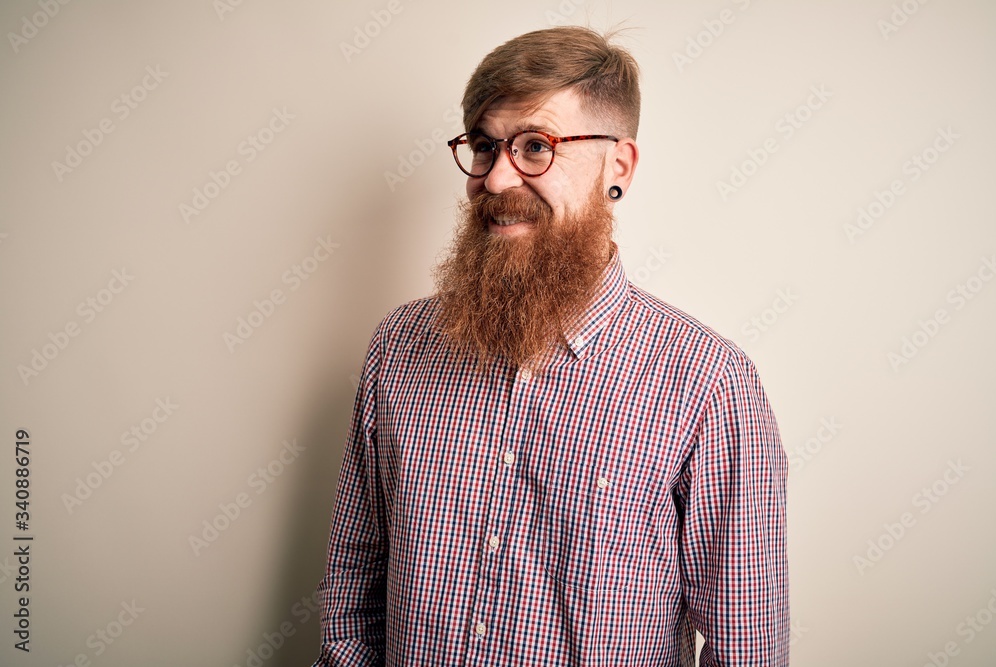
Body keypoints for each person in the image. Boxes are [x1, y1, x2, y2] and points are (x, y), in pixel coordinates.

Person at [312, 25, 788, 667]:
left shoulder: (709, 382)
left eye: (536, 145)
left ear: (617, 167)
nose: (497, 178)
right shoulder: (399, 347)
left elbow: (746, 651)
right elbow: (350, 602)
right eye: (484, 146)